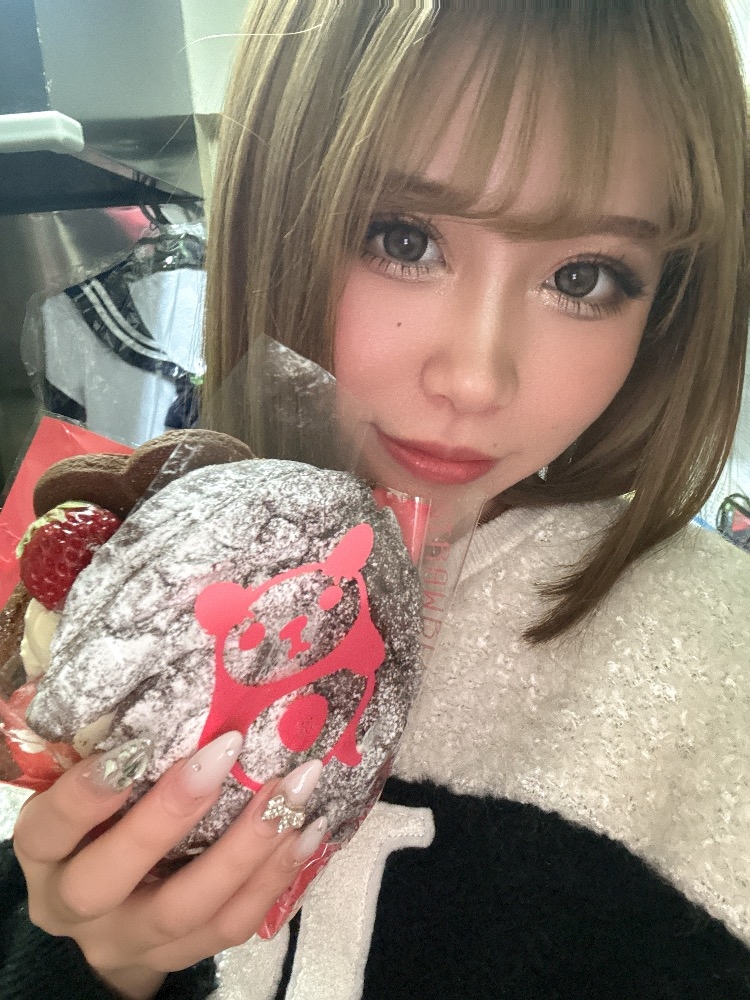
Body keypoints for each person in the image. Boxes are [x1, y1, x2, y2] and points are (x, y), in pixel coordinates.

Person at [1, 1, 748, 998]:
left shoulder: (719, 669)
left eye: (584, 275)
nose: (475, 377)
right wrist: (99, 964)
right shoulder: (156, 578)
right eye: (402, 237)